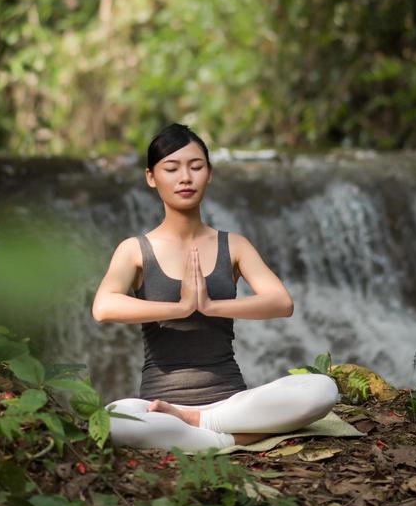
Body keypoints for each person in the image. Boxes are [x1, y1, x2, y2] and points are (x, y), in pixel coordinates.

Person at [91, 123, 338, 450]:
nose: (185, 177)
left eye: (196, 167)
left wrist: (210, 306)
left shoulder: (234, 245)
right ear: (151, 177)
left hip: (231, 403)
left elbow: (281, 302)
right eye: (171, 168)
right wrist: (179, 308)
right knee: (116, 419)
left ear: (209, 173)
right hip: (159, 407)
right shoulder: (135, 249)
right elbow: (103, 307)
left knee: (322, 389)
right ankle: (232, 438)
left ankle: (203, 427)